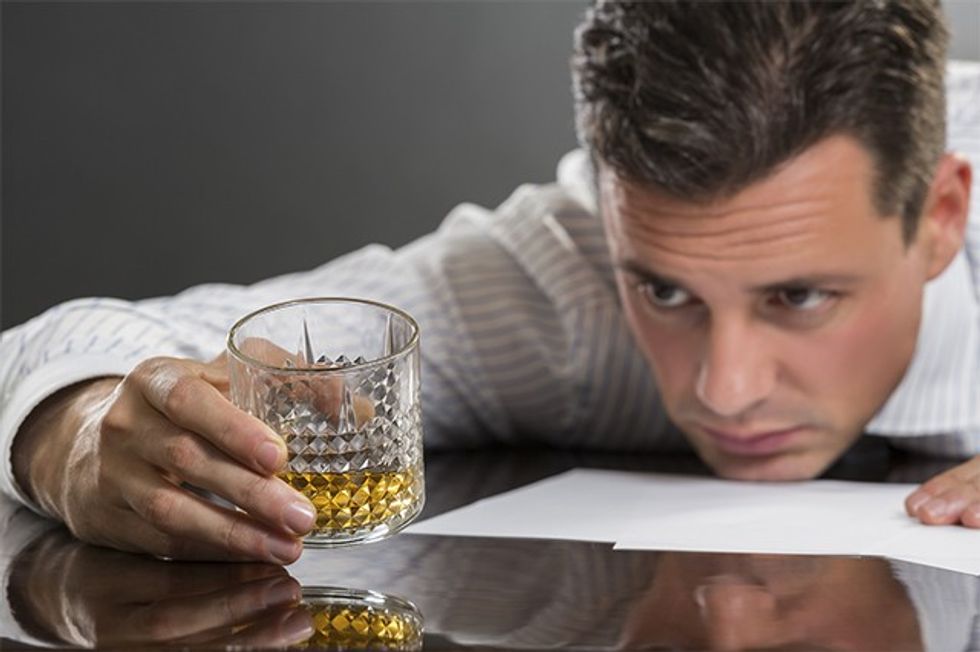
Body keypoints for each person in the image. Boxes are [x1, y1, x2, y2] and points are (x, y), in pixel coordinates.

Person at [1, 1, 978, 566]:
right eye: (664, 291)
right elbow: (89, 341)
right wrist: (79, 434)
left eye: (797, 297)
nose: (721, 389)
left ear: (938, 217)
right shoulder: (563, 277)